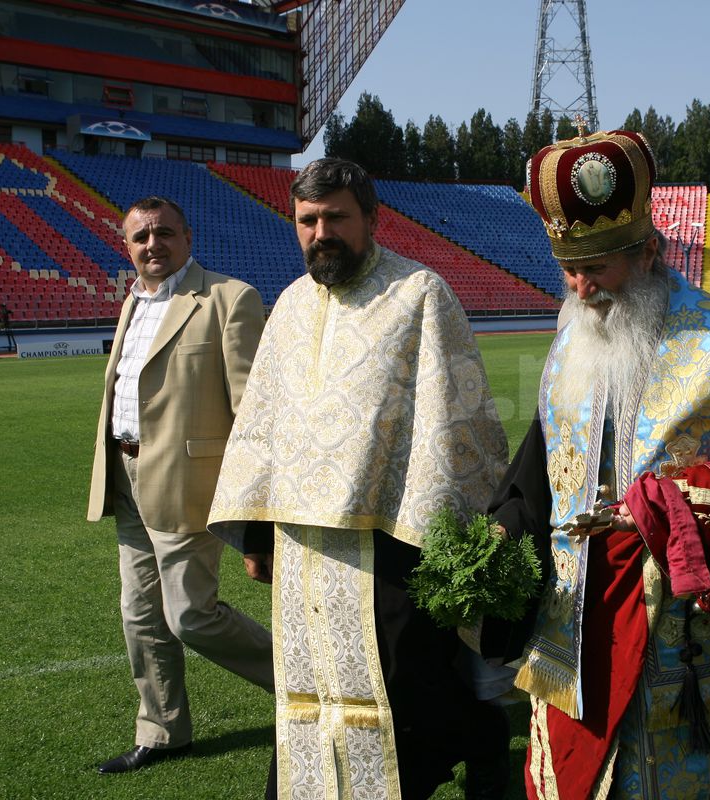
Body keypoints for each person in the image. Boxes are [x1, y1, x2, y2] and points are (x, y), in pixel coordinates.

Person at [478, 129, 710, 799]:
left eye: (599, 269)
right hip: (569, 648)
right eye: (569, 269)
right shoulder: (567, 345)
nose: (582, 289)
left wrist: (682, 506)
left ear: (648, 252)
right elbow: (539, 475)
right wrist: (501, 530)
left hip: (683, 653)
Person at [207, 158, 513, 799]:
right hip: (303, 550)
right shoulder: (289, 306)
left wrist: (447, 529)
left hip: (392, 534)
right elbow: (263, 425)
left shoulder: (419, 293)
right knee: (311, 685)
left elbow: (458, 418)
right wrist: (257, 536)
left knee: (403, 685)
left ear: (370, 219)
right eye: (308, 220)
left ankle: (462, 749)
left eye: (336, 218)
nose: (322, 233)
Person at [86, 195, 273, 774]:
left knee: (190, 615)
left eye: (164, 233)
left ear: (187, 238)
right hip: (124, 475)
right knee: (140, 615)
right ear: (127, 246)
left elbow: (253, 409)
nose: (152, 245)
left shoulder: (228, 298)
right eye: (140, 237)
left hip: (190, 481)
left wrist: (258, 507)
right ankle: (163, 729)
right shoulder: (132, 302)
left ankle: (307, 684)